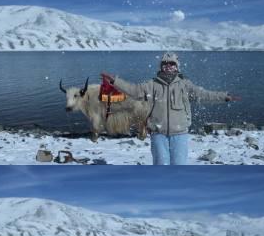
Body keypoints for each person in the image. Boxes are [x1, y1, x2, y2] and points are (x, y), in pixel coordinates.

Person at [101, 52, 240, 165]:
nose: (168, 66)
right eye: (165, 64)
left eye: (172, 64)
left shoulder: (184, 84)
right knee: (161, 165)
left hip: (180, 134)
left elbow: (203, 94)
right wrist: (115, 81)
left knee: (179, 166)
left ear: (177, 67)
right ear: (161, 67)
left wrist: (223, 96)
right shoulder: (152, 84)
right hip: (158, 133)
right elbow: (134, 90)